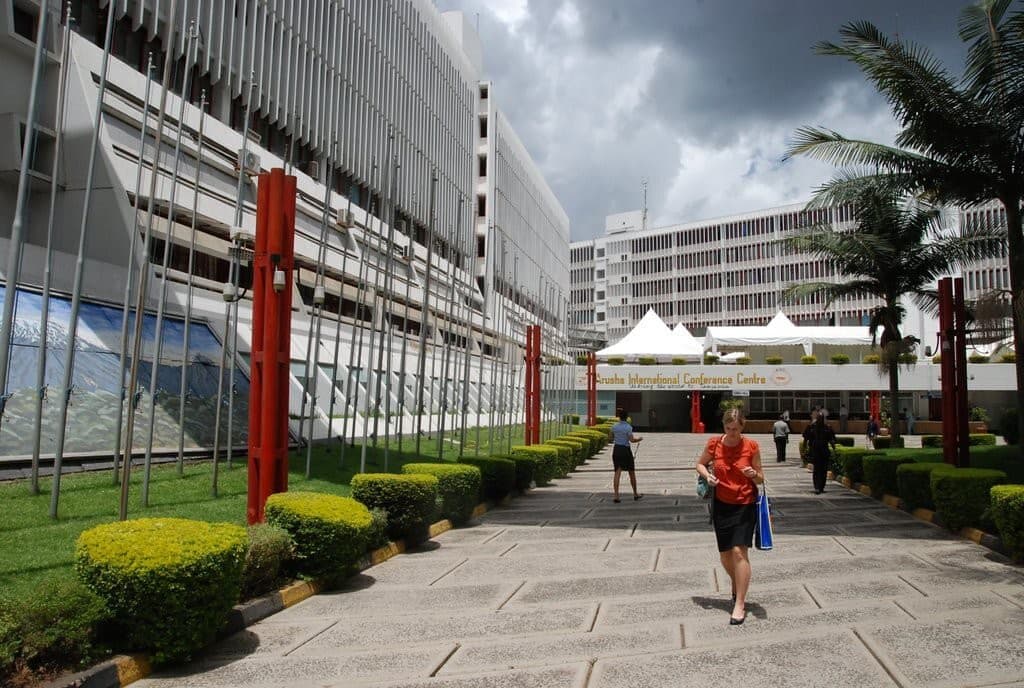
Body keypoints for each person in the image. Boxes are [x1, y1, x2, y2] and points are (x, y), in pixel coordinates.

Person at [695, 407, 764, 625]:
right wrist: (708, 475)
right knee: (725, 554)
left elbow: (761, 479)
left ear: (743, 426)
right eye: (728, 428)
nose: (732, 433)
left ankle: (739, 603)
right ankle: (737, 581)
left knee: (738, 551)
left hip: (745, 503)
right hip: (722, 505)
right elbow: (699, 464)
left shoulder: (751, 446)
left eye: (736, 429)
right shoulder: (714, 443)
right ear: (723, 426)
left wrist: (754, 475)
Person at [609, 409, 643, 503]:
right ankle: (635, 494)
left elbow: (610, 438)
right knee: (631, 472)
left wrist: (617, 438)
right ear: (627, 417)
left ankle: (616, 495)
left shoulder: (614, 426)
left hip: (616, 450)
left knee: (617, 472)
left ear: (619, 417)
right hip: (625, 450)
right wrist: (639, 439)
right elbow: (631, 440)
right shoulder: (628, 427)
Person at [803, 414, 836, 494]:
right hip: (815, 452)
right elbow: (805, 438)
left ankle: (821, 487)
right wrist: (805, 449)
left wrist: (834, 448)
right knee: (817, 470)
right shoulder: (811, 427)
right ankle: (817, 487)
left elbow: (832, 440)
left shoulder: (827, 428)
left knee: (823, 470)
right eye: (819, 418)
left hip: (824, 452)